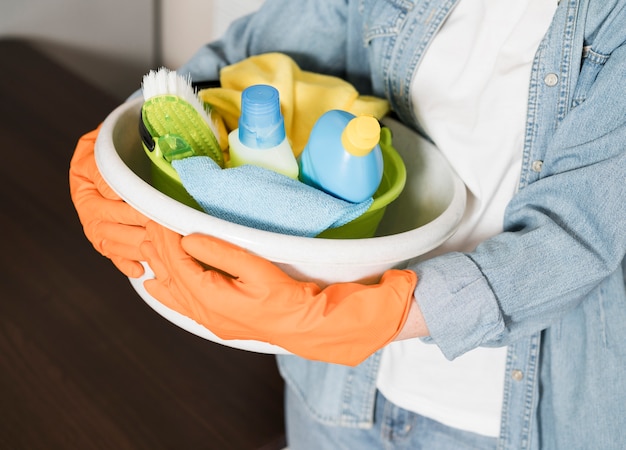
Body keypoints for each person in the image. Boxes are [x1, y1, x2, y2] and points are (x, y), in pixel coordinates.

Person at [69, 0, 626, 448]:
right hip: (338, 394)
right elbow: (244, 58)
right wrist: (119, 145)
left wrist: (387, 310)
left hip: (510, 417)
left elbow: (575, 234)